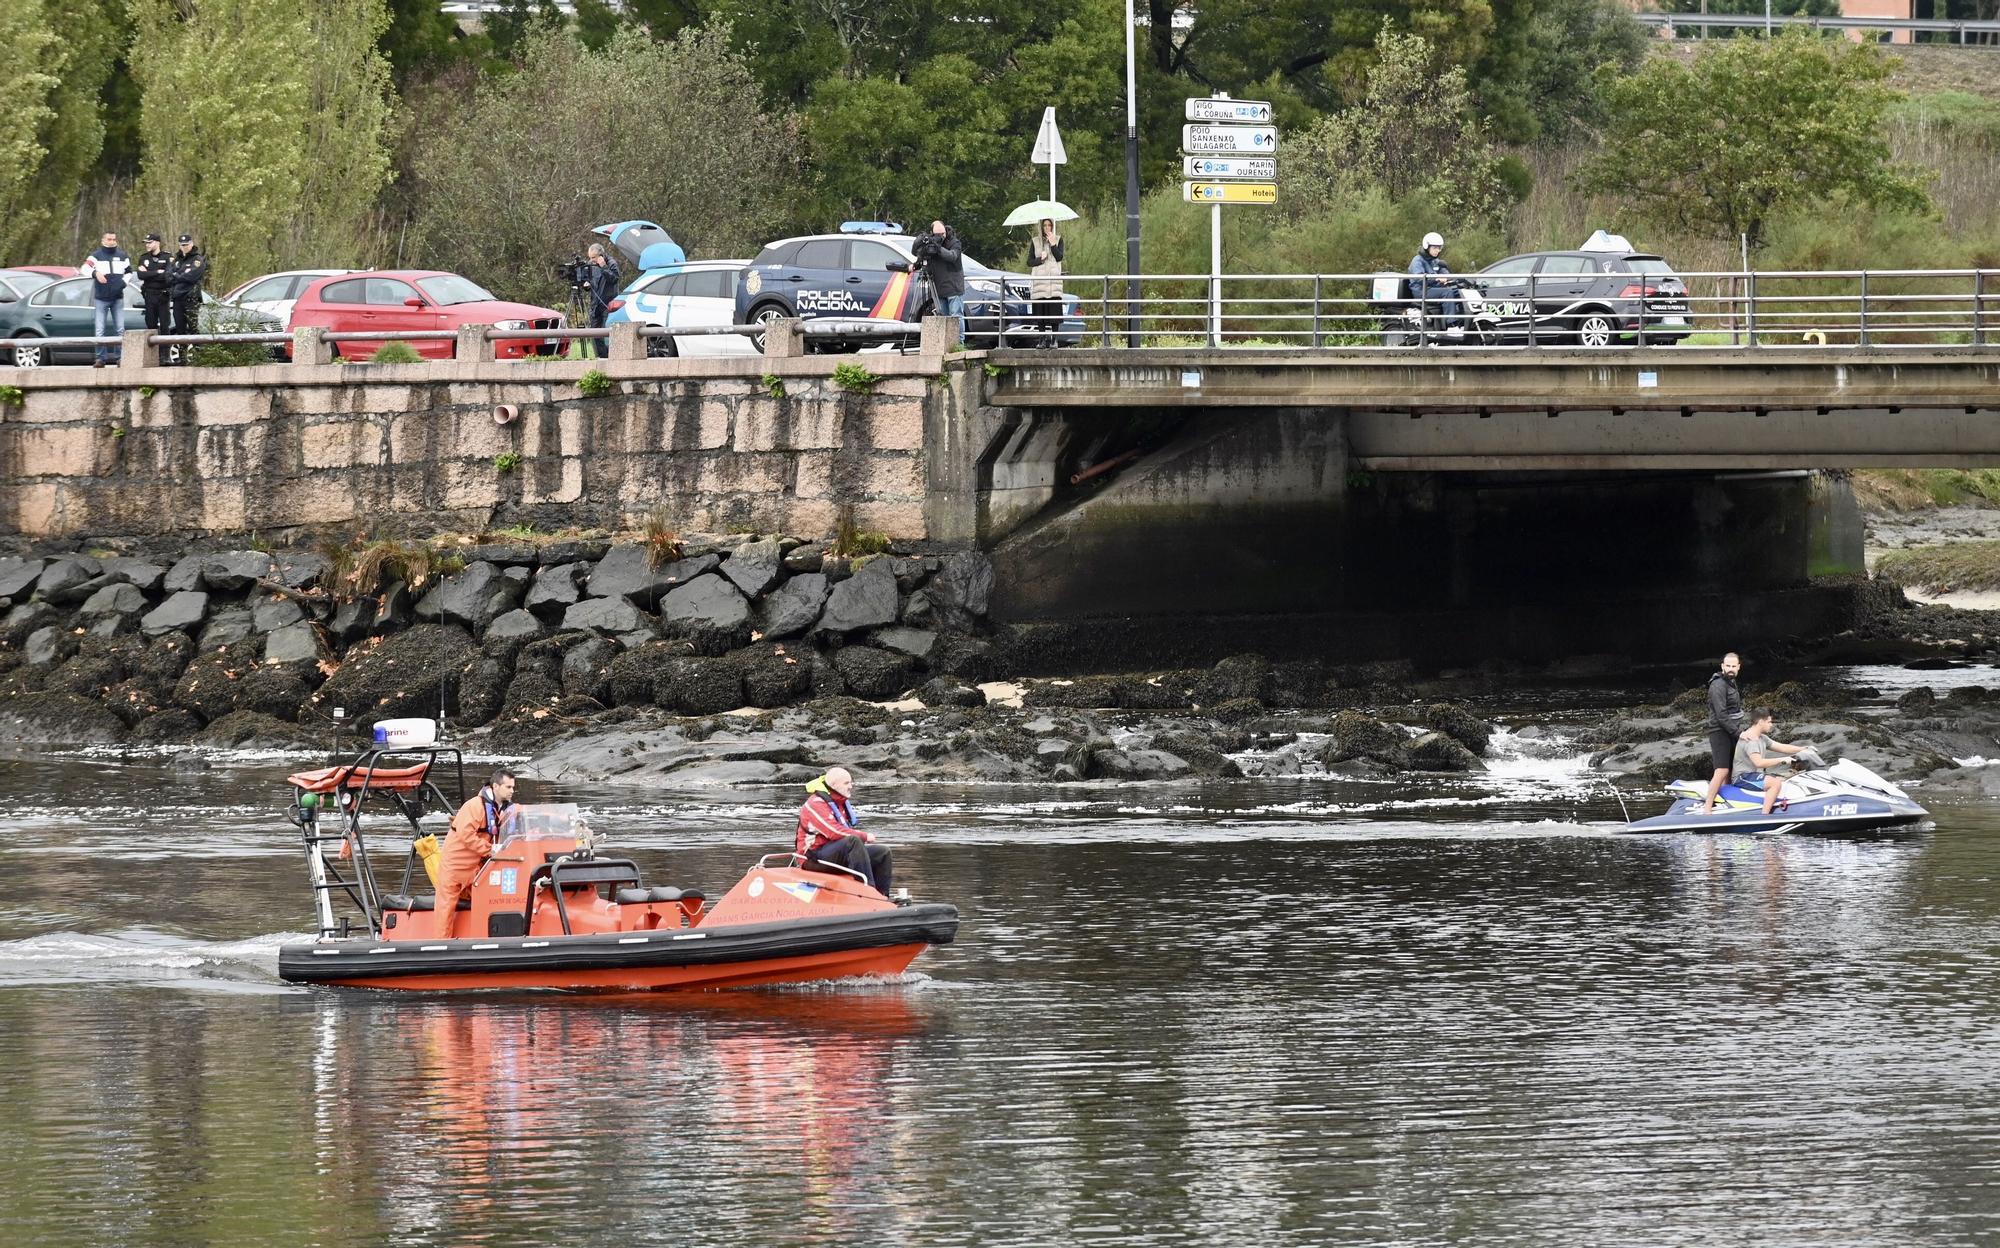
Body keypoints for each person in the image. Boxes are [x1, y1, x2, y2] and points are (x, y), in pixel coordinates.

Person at [437, 767, 517, 938]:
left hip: (478, 868)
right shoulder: (475, 806)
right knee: (445, 910)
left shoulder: (505, 809)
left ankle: (487, 938)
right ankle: (441, 947)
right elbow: (466, 835)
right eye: (508, 787)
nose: (512, 791)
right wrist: (491, 850)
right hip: (455, 866)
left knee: (493, 898)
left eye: (513, 787)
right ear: (495, 786)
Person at [794, 767, 894, 897]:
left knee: (883, 852)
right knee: (853, 841)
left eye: (851, 782)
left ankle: (883, 896)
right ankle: (867, 894)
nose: (851, 786)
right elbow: (833, 832)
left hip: (831, 852)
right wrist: (864, 836)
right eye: (846, 783)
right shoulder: (815, 803)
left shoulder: (839, 802)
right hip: (812, 857)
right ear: (834, 785)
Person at [1733, 708, 1809, 815]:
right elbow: (1758, 763)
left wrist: (1804, 749)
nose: (1771, 725)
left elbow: (1782, 747)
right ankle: (1765, 816)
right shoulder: (1751, 740)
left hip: (1755, 774)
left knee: (1788, 779)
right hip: (1743, 777)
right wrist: (1782, 760)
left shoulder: (1762, 738)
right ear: (1760, 722)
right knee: (1775, 783)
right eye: (1769, 722)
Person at [1701, 651, 1746, 813]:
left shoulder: (1732, 682)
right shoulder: (1718, 685)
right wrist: (1739, 733)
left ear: (1739, 667)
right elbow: (1720, 715)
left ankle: (1727, 803)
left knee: (1731, 769)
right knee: (1721, 769)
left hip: (1731, 730)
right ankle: (1707, 807)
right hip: (1719, 731)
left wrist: (1737, 731)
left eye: (1734, 666)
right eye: (1728, 666)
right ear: (1722, 666)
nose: (1731, 669)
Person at [80, 229, 130, 367]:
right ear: (103, 240)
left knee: (120, 329)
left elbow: (129, 272)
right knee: (100, 330)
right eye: (109, 239)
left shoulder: (122, 256)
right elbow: (83, 268)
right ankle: (100, 359)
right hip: (101, 298)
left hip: (117, 298)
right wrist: (95, 273)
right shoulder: (95, 256)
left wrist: (123, 282)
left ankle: (119, 358)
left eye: (114, 239)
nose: (112, 241)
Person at [914, 220, 966, 339]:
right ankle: (946, 344)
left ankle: (959, 344)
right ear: (931, 233)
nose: (941, 237)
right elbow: (921, 256)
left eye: (942, 234)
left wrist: (938, 248)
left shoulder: (954, 242)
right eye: (937, 235)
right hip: (938, 288)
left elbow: (952, 256)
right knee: (943, 318)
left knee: (956, 317)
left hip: (953, 287)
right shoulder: (931, 243)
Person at [1405, 231, 1463, 337]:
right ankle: (1451, 326)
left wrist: (1447, 276)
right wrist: (1436, 278)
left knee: (1458, 292)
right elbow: (1419, 278)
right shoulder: (1417, 261)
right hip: (1421, 290)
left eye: (1439, 248)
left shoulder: (1434, 260)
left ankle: (1461, 322)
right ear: (1427, 247)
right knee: (1447, 293)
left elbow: (1443, 269)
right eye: (1435, 248)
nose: (1438, 250)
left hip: (1433, 289)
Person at [166, 233, 208, 356]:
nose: (184, 247)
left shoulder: (197, 260)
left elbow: (191, 277)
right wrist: (180, 275)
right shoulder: (176, 259)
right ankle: (182, 357)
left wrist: (177, 275)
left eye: (186, 244)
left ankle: (200, 356)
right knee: (180, 330)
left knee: (193, 328)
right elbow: (168, 277)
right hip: (178, 299)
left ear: (192, 244)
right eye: (182, 245)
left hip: (191, 299)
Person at [133, 233, 173, 364]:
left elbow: (167, 275)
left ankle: (165, 356)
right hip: (149, 295)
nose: (147, 245)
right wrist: (157, 272)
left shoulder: (167, 257)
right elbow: (140, 275)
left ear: (157, 243)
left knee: (165, 326)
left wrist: (149, 273)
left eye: (150, 242)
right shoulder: (143, 258)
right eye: (146, 243)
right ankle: (152, 355)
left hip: (163, 295)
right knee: (151, 325)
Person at [1027, 218, 1064, 337]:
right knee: (1040, 313)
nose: (1047, 228)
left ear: (1052, 226)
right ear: (1041, 227)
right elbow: (1029, 262)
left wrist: (1053, 245)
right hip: (1040, 281)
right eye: (1045, 225)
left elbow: (1059, 257)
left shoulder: (1058, 239)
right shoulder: (1035, 241)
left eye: (1049, 225)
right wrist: (1040, 259)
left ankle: (1055, 339)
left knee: (1054, 313)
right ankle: (1041, 339)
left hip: (1054, 282)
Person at [584, 242, 621, 359]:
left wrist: (604, 267)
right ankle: (602, 357)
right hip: (595, 304)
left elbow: (615, 279)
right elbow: (589, 280)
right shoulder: (590, 265)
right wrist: (586, 286)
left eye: (593, 258)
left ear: (601, 255)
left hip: (608, 303)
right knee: (594, 333)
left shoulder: (611, 263)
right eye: (590, 258)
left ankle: (612, 356)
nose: (591, 260)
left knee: (606, 332)